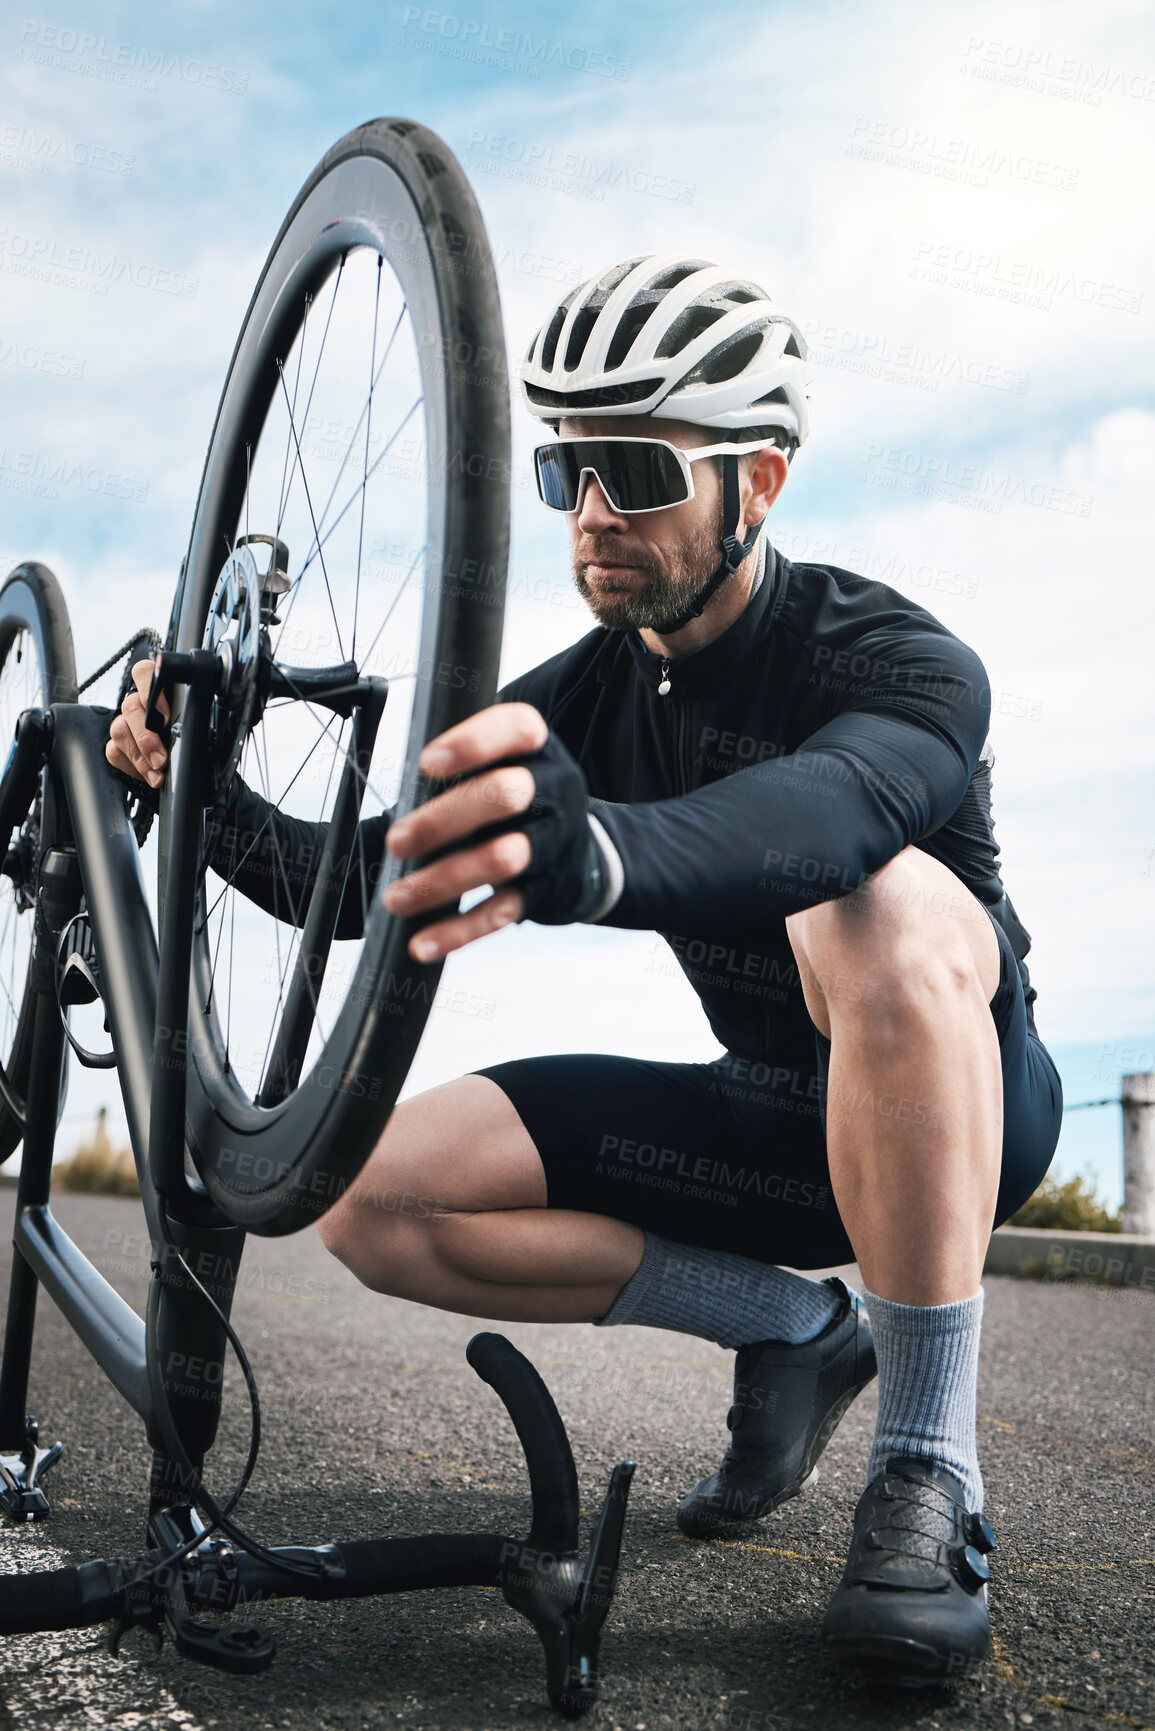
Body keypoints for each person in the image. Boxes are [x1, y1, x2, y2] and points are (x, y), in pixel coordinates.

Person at [108, 252, 1062, 1688]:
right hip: (768, 1126)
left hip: (968, 1116)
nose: (597, 514)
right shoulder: (589, 694)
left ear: (764, 481)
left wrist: (603, 853)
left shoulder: (897, 660)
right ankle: (798, 1328)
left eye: (637, 470)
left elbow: (828, 816)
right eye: (569, 476)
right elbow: (371, 876)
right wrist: (208, 791)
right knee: (371, 1195)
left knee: (872, 908)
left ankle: (929, 1469)